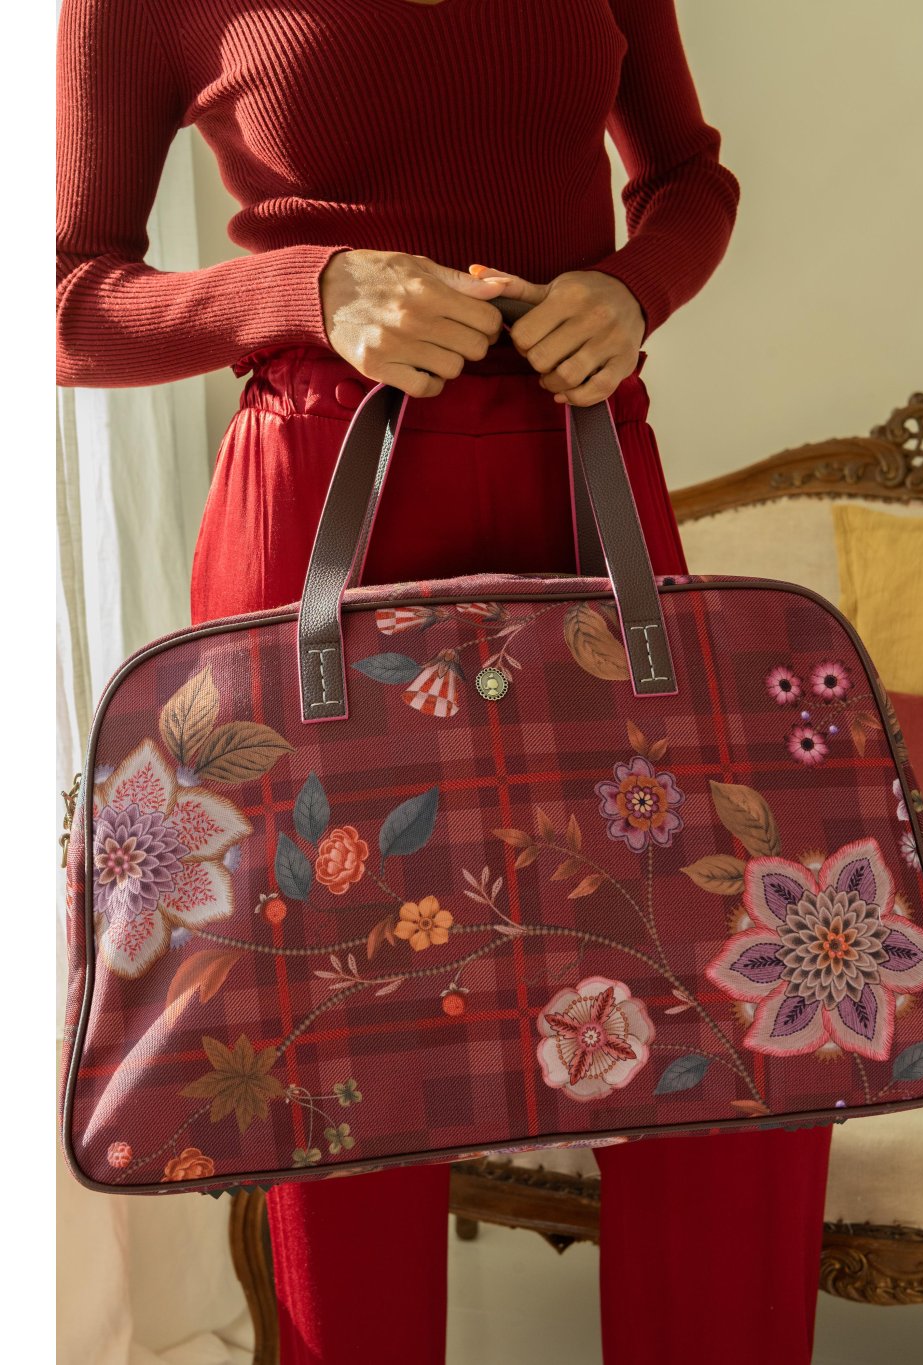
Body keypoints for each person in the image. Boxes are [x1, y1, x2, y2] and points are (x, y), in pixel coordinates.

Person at [56, 2, 834, 1361]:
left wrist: (631, 288)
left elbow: (685, 177)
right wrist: (307, 291)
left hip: (581, 486)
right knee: (334, 1035)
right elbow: (68, 300)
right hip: (319, 513)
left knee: (713, 1004)